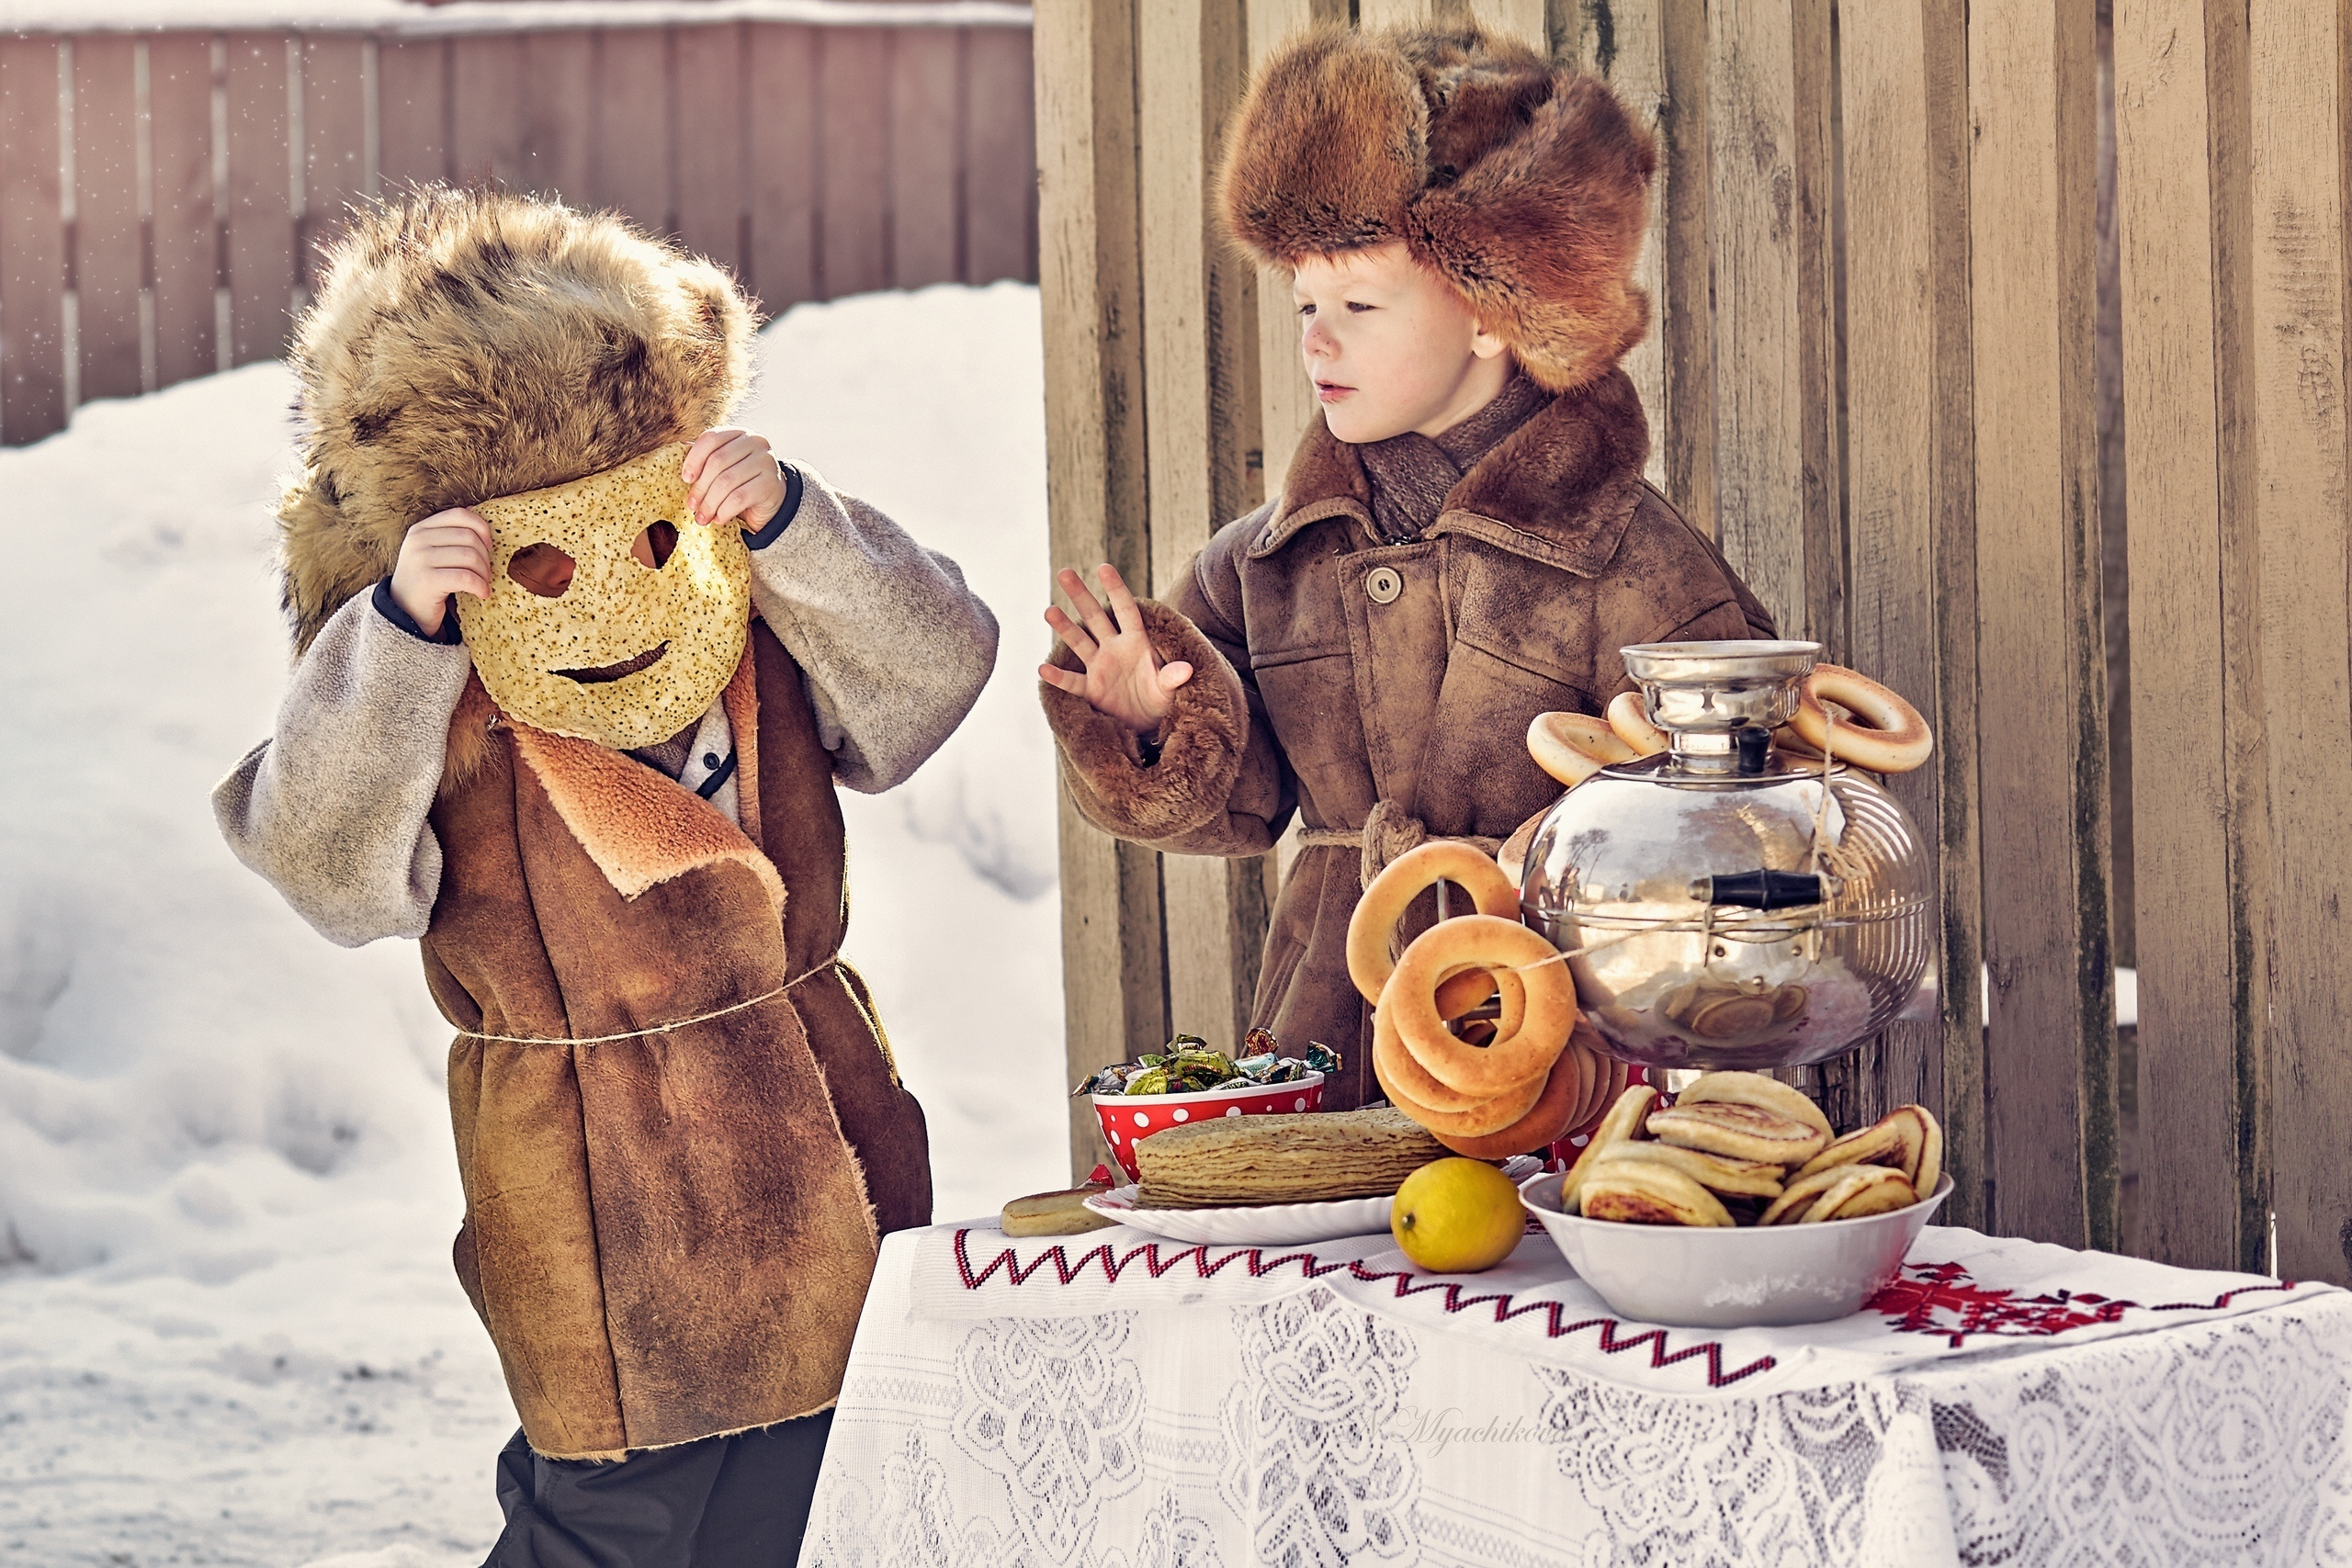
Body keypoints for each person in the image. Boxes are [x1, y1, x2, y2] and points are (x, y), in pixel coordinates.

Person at [212, 187, 997, 1565]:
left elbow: (931, 677)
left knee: (810, 1501)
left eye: (633, 524)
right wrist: (400, 633)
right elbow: (333, 873)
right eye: (542, 542)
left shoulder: (748, 609)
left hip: (817, 1130)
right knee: (611, 1523)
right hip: (594, 1192)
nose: (601, 582)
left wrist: (795, 524)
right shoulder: (432, 683)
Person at [1038, 24, 1773, 1111]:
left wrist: (1573, 855)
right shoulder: (1266, 561)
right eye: (1304, 305)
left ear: (1488, 313)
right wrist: (1152, 724)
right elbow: (1238, 812)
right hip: (1323, 1060)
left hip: (1551, 1070)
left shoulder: (1627, 559)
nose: (1316, 343)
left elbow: (1740, 810)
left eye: (1359, 306)